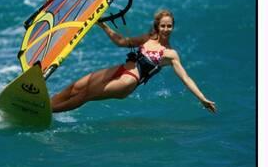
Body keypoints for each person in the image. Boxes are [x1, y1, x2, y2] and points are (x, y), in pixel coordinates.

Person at [50, 9, 216, 114]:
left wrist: (202, 98)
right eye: (163, 26)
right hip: (120, 69)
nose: (166, 29)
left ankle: (49, 111)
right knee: (76, 86)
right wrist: (103, 26)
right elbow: (122, 42)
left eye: (169, 26)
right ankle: (48, 103)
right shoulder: (147, 38)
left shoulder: (171, 54)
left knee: (86, 94)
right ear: (157, 26)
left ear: (173, 27)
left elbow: (186, 78)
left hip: (128, 81)